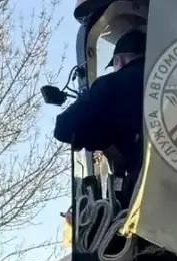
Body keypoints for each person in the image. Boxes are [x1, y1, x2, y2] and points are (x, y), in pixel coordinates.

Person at [54, 29, 147, 201]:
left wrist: (104, 143)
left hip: (145, 192)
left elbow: (64, 128)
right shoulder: (176, 80)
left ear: (119, 61)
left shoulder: (113, 84)